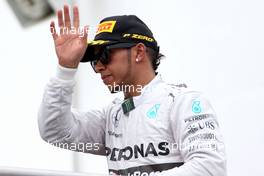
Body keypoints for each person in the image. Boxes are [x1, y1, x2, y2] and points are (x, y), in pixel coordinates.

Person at [38, 5, 227, 176]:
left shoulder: (183, 102)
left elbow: (209, 168)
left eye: (104, 55)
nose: (99, 67)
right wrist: (66, 68)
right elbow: (55, 131)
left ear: (138, 52)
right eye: (94, 60)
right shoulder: (112, 116)